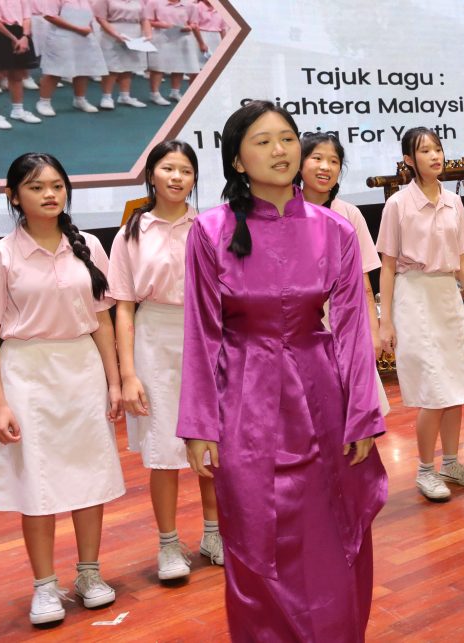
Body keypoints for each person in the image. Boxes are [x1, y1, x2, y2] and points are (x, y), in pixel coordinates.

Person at [178, 101, 387, 640]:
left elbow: (351, 332)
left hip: (321, 394)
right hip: (243, 398)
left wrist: (363, 413)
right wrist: (199, 425)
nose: (281, 150)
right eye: (264, 141)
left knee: (329, 534)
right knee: (255, 536)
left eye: (288, 139)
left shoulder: (332, 230)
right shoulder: (209, 230)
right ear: (238, 161)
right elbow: (202, 333)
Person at [0, 153, 124, 625]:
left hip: (82, 370)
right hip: (27, 376)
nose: (50, 194)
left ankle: (90, 573)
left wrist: (115, 381)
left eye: (57, 185)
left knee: (88, 475)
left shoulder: (89, 247)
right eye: (36, 187)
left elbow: (102, 322)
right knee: (36, 481)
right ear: (14, 196)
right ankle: (43, 586)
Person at [109, 140, 222, 581]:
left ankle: (214, 533)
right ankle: (168, 544)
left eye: (186, 171)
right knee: (162, 450)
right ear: (151, 174)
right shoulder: (131, 233)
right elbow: (122, 306)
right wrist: (128, 372)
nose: (177, 178)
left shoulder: (210, 227)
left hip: (208, 337)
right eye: (168, 168)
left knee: (213, 444)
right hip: (154, 338)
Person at [377, 127, 464, 501]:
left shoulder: (454, 202)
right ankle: (425, 470)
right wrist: (385, 320)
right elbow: (388, 266)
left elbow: (462, 261)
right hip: (414, 296)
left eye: (437, 149)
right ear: (409, 160)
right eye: (424, 151)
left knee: (456, 386)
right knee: (433, 390)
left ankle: (451, 462)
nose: (434, 156)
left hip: (446, 296)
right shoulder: (397, 205)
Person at [295, 131, 389, 414]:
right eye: (317, 158)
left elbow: (364, 281)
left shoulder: (349, 214)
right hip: (300, 326)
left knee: (354, 412)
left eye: (333, 161)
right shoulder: (283, 212)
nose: (325, 167)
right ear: (299, 165)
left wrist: (372, 332)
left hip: (346, 321)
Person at [0, 0, 41, 129]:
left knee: (17, 74)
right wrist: (12, 38)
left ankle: (18, 110)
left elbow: (26, 17)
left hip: (20, 34)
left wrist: (25, 36)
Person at [35, 0, 110, 116]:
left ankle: (80, 100)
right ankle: (44, 102)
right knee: (54, 70)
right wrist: (77, 29)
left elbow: (88, 20)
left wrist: (92, 36)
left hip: (84, 38)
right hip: (61, 37)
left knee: (83, 69)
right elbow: (50, 16)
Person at [93, 0, 150, 109]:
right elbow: (101, 19)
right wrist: (116, 34)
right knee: (112, 67)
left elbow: (144, 19)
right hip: (112, 33)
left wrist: (148, 35)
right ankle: (106, 97)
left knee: (129, 66)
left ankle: (125, 96)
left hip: (134, 33)